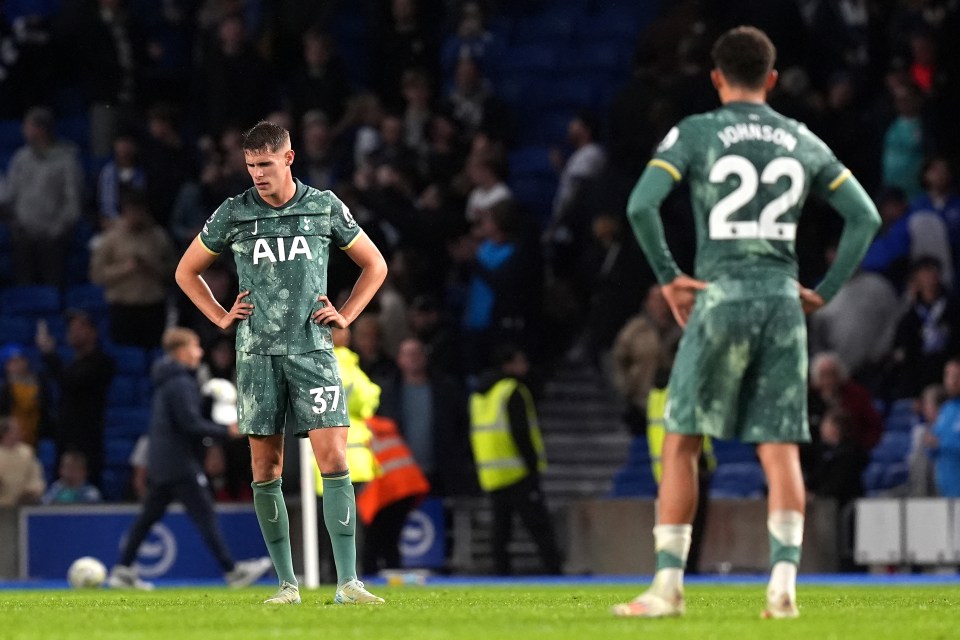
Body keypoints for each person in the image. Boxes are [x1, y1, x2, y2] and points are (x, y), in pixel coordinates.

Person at [614, 26, 880, 619]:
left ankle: (667, 588)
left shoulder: (698, 131)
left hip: (720, 295)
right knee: (779, 450)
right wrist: (823, 292)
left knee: (681, 441)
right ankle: (783, 585)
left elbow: (640, 204)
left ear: (715, 78)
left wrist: (668, 274)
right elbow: (863, 218)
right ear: (773, 79)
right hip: (783, 305)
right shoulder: (799, 136)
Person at [175, 120, 388, 606]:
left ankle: (349, 583)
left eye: (265, 165)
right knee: (264, 467)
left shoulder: (323, 205)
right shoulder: (234, 213)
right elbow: (186, 271)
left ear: (288, 159)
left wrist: (347, 313)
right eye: (250, 166)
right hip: (257, 355)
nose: (257, 175)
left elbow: (374, 264)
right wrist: (221, 317)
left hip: (314, 351)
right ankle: (287, 585)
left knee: (332, 460)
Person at [107, 327, 271, 590]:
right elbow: (190, 424)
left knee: (148, 517)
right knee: (204, 515)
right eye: (195, 347)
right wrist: (227, 432)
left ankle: (122, 569)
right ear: (182, 351)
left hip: (163, 461)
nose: (200, 352)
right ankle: (232, 571)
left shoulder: (168, 380)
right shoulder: (180, 382)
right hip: (179, 463)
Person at [469, 343, 563, 576]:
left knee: (501, 529)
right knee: (538, 525)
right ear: (508, 365)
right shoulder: (512, 390)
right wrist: (532, 465)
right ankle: (555, 571)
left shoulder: (480, 395)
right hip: (517, 470)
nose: (525, 366)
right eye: (520, 361)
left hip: (491, 473)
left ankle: (500, 573)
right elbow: (520, 432)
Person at [89, 189, 176, 350]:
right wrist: (126, 268)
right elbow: (96, 274)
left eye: (139, 211)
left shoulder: (159, 237)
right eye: (131, 211)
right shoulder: (110, 238)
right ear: (124, 211)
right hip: (122, 308)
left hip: (152, 307)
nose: (135, 216)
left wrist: (152, 267)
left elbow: (174, 272)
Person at [37, 311, 115, 490]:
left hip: (87, 440)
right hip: (65, 438)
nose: (73, 332)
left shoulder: (102, 363)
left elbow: (72, 383)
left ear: (93, 332)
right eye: (71, 329)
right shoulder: (72, 364)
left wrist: (50, 354)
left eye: (79, 328)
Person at [0, 417, 45, 506]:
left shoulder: (27, 453)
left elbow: (35, 476)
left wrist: (31, 491)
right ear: (4, 433)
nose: (19, 433)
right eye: (15, 431)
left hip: (23, 503)